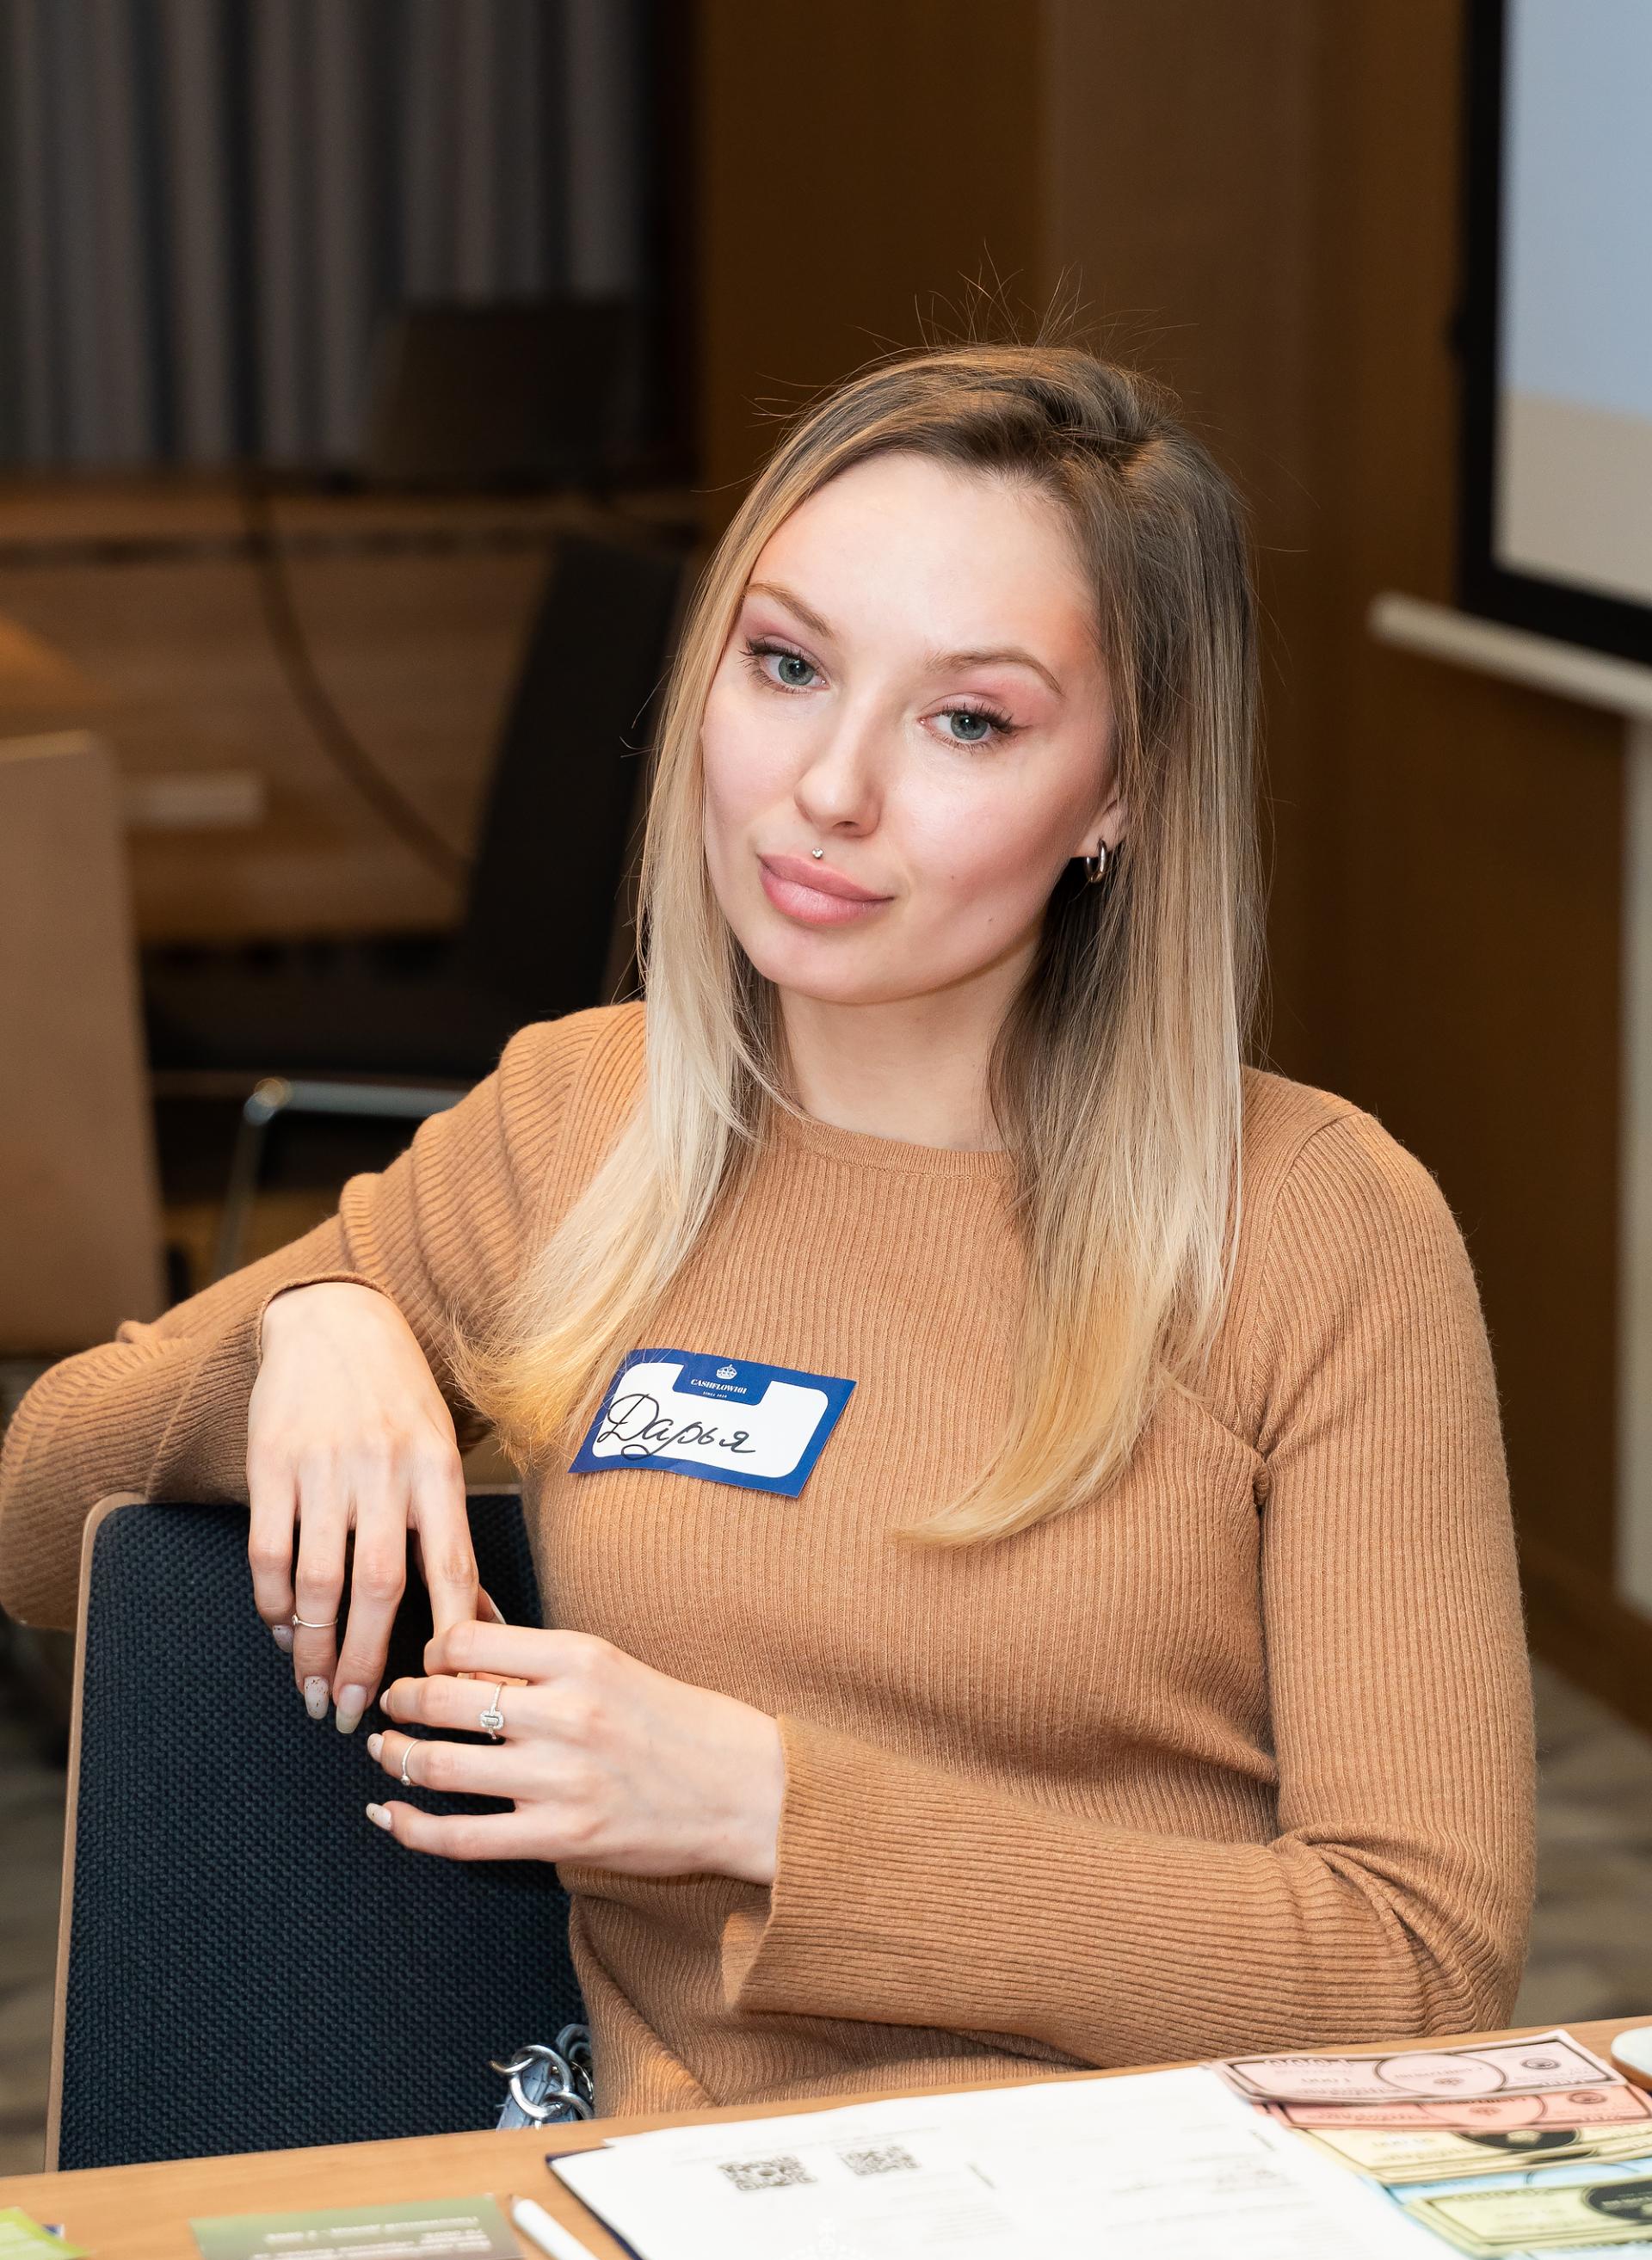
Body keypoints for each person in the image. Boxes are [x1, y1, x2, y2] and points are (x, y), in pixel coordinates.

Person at [0, 344, 1535, 2117]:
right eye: (788, 666)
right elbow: (38, 1514)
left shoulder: (1321, 1225)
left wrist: (769, 1814)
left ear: (1122, 792)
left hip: (1177, 2219)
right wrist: (315, 1325)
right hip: (702, 2227)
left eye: (969, 721)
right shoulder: (588, 1125)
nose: (827, 789)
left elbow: (1422, 1968)